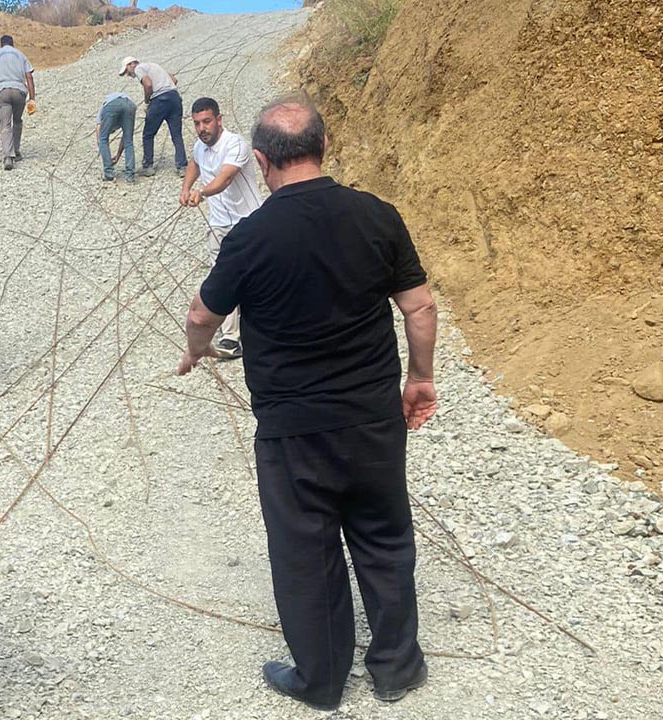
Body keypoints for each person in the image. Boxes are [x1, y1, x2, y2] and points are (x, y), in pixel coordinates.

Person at [177, 99, 438, 711]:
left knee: (306, 550)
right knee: (384, 537)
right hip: (374, 416)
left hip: (293, 428)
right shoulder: (378, 215)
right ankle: (397, 668)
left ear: (260, 161)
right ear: (324, 145)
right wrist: (420, 377)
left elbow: (199, 314)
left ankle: (320, 682)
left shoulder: (250, 237)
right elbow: (420, 307)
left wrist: (198, 350)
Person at [179, 97, 263, 359]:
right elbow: (194, 161)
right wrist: (185, 188)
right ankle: (231, 336)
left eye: (206, 121)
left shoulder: (235, 144)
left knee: (257, 277)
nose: (202, 128)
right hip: (218, 224)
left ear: (218, 120)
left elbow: (225, 178)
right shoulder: (200, 146)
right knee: (223, 277)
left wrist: (200, 193)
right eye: (197, 123)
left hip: (248, 221)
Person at [118, 56, 186, 177]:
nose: (128, 74)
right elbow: (174, 80)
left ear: (131, 64)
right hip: (174, 98)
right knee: (176, 134)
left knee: (148, 134)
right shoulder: (154, 66)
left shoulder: (139, 68)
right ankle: (182, 166)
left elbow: (148, 84)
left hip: (160, 100)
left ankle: (148, 166)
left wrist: (147, 102)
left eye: (126, 71)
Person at [0, 35, 36, 170]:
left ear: (1, 44)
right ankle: (17, 151)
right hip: (19, 92)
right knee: (17, 121)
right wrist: (32, 98)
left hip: (2, 92)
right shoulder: (21, 55)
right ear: (12, 44)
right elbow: (29, 77)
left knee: (5, 124)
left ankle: (8, 156)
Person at [96, 91, 136, 182]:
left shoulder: (103, 110)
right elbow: (125, 139)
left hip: (112, 105)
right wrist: (117, 156)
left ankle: (108, 173)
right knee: (129, 140)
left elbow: (99, 132)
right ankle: (130, 175)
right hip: (130, 104)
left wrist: (102, 151)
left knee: (103, 138)